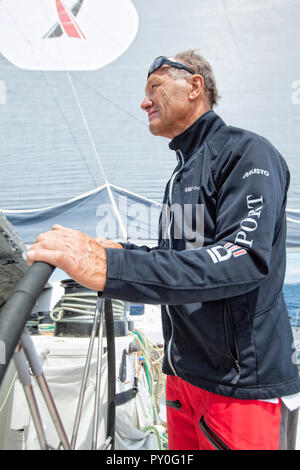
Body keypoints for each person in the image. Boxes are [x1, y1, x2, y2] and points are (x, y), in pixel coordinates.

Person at [26, 50, 300, 450]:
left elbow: (242, 259)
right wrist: (123, 249)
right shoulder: (181, 175)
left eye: (154, 87)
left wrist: (111, 266)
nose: (144, 101)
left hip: (238, 386)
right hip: (183, 376)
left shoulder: (247, 153)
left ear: (194, 86)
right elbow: (183, 257)